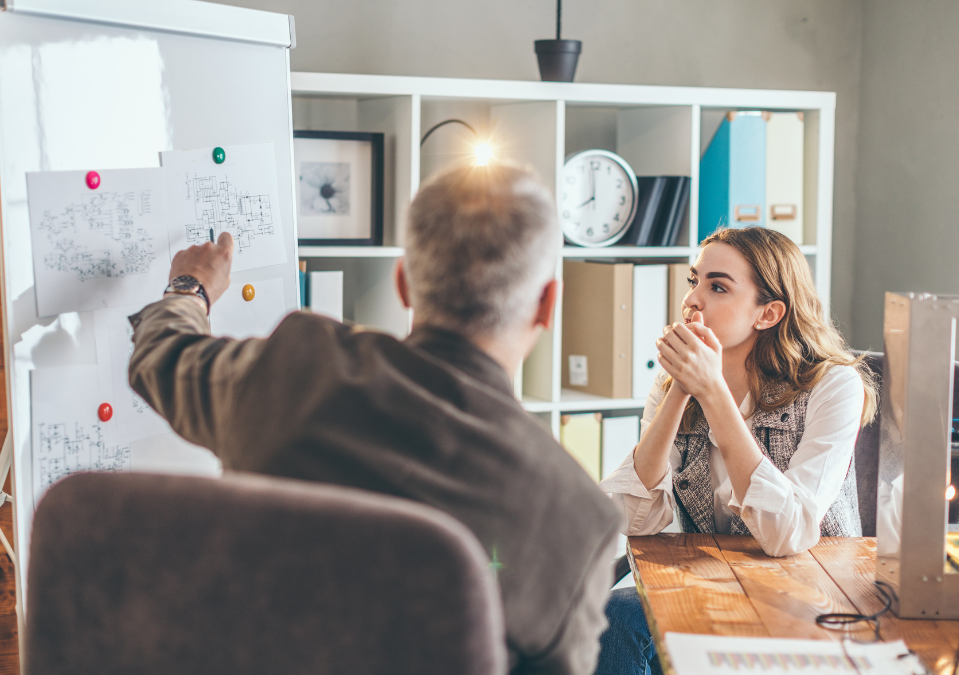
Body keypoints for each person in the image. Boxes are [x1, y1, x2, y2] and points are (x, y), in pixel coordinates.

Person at [128, 162, 622, 675]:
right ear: (547, 304)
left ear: (403, 284)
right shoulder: (579, 521)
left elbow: (161, 358)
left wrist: (192, 286)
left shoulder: (293, 372)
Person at [594, 226, 879, 675]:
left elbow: (787, 533)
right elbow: (633, 518)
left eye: (718, 286)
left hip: (815, 590)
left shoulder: (832, 386)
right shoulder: (672, 384)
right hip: (711, 581)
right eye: (694, 281)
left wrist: (714, 395)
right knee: (614, 621)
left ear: (767, 313)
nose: (692, 301)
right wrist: (679, 393)